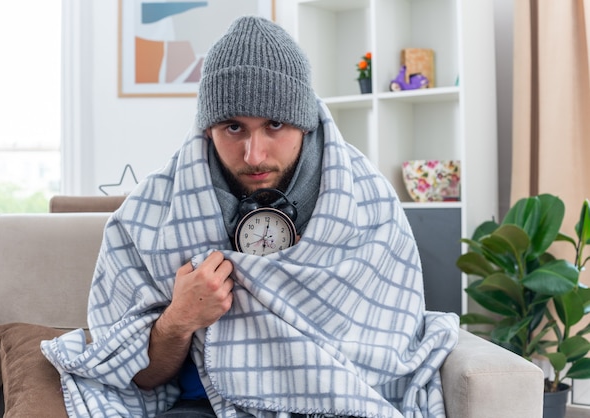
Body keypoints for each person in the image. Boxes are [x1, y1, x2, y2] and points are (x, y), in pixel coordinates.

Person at [42, 16, 459, 418]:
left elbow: (388, 361)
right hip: (200, 407)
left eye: (274, 124)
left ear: (306, 124)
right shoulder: (151, 212)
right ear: (207, 129)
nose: (254, 155)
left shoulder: (367, 201)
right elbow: (139, 379)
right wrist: (178, 319)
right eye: (233, 128)